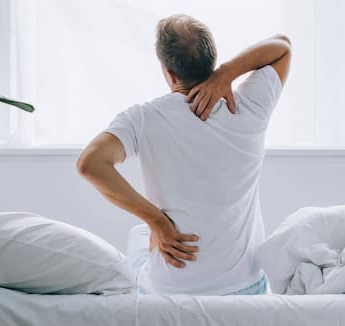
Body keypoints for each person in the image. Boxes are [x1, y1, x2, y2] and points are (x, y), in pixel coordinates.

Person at [76, 14, 291, 295]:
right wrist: (227, 74)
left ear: (169, 73)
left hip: (171, 291)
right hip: (245, 287)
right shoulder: (250, 106)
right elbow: (282, 46)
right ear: (211, 63)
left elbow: (90, 164)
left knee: (139, 234)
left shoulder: (144, 118)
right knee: (141, 234)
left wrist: (157, 222)